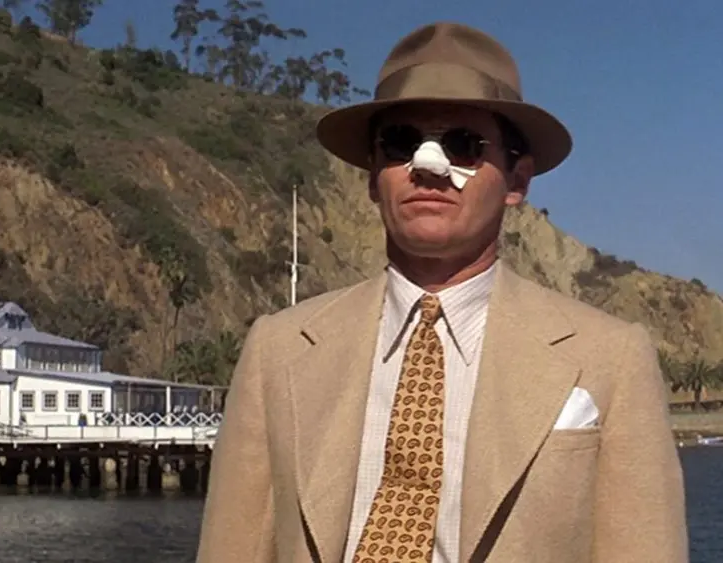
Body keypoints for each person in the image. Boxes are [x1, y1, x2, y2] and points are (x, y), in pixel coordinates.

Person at [196, 21, 688, 563]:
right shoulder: (278, 350)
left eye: (463, 145)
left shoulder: (610, 360)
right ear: (371, 176)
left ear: (517, 181)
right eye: (401, 144)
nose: (428, 168)